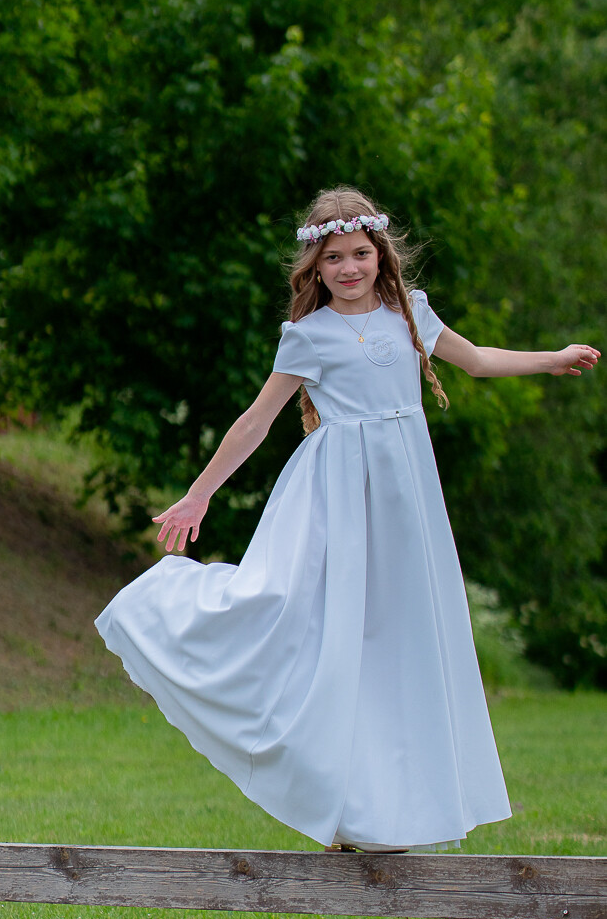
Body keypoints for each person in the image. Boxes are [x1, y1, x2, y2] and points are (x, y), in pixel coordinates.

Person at [95, 185, 600, 854]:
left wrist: (552, 359)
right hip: (335, 499)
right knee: (320, 629)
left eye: (360, 253)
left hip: (405, 503)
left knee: (397, 642)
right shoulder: (307, 337)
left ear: (380, 253)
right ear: (315, 267)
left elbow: (477, 361)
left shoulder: (409, 313)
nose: (348, 267)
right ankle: (171, 621)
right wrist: (199, 494)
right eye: (333, 258)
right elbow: (255, 422)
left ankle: (380, 810)